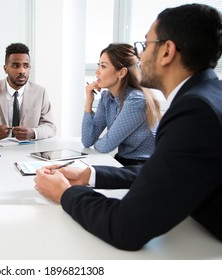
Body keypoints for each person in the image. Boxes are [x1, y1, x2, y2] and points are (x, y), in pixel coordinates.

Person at [34, 3, 222, 250]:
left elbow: (127, 227)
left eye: (145, 46)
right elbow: (168, 172)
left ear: (167, 51)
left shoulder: (194, 111)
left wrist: (64, 193)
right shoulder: (205, 97)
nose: (140, 57)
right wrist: (91, 175)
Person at [82, 43, 161, 166]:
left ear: (122, 72)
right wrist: (89, 101)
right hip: (122, 160)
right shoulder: (107, 97)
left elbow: (106, 146)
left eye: (103, 66)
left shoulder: (136, 100)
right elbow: (87, 141)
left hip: (144, 165)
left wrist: (102, 141)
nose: (97, 71)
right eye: (99, 65)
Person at [0, 43, 56, 140]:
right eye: (16, 66)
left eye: (26, 66)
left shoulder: (40, 92)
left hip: (29, 150)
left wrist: (33, 133)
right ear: (5, 69)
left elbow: (50, 127)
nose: (22, 71)